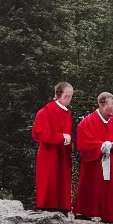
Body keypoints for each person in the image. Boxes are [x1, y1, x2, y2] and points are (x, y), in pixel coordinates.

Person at [73, 92, 113, 223]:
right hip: (94, 164)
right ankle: (86, 212)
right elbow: (83, 143)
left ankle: (112, 215)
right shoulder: (86, 123)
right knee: (92, 185)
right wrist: (102, 146)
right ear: (101, 104)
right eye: (111, 106)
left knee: (112, 190)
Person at [32, 82, 74, 213]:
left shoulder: (67, 113)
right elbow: (39, 134)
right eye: (66, 96)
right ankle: (46, 208)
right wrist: (61, 138)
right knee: (49, 182)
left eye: (70, 96)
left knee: (62, 183)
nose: (68, 99)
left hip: (63, 154)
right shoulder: (44, 112)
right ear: (57, 95)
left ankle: (62, 208)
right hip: (49, 154)